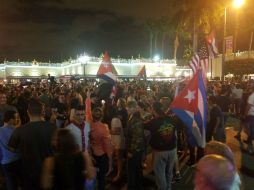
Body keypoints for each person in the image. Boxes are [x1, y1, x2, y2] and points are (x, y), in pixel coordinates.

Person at [8, 98, 57, 190]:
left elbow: (11, 148)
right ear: (42, 112)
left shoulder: (19, 130)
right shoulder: (52, 127)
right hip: (49, 172)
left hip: (29, 172)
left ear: (28, 112)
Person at [144, 102, 177, 190]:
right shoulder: (171, 119)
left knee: (160, 173)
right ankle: (168, 188)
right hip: (172, 149)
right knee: (169, 172)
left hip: (160, 151)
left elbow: (143, 126)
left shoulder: (153, 122)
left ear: (154, 110)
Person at [86, 91, 112, 190]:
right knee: (102, 179)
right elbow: (108, 146)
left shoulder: (89, 123)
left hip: (91, 155)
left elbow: (87, 111)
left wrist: (88, 98)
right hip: (101, 156)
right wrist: (110, 161)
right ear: (102, 116)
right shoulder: (104, 128)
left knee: (92, 177)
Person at [0, 111, 21, 190]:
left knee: (11, 184)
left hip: (5, 162)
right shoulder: (16, 130)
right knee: (21, 181)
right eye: (15, 118)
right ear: (10, 120)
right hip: (18, 159)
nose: (17, 119)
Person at [126, 100, 144, 190]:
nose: (127, 110)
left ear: (133, 108)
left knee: (132, 171)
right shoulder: (133, 117)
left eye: (128, 108)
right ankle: (138, 186)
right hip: (136, 150)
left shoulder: (136, 120)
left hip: (135, 151)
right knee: (137, 170)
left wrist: (131, 151)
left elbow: (137, 138)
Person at [110, 108, 125, 182]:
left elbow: (117, 131)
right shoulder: (115, 119)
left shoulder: (115, 119)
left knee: (119, 159)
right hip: (115, 142)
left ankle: (119, 174)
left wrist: (107, 131)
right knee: (114, 157)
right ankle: (113, 170)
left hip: (118, 143)